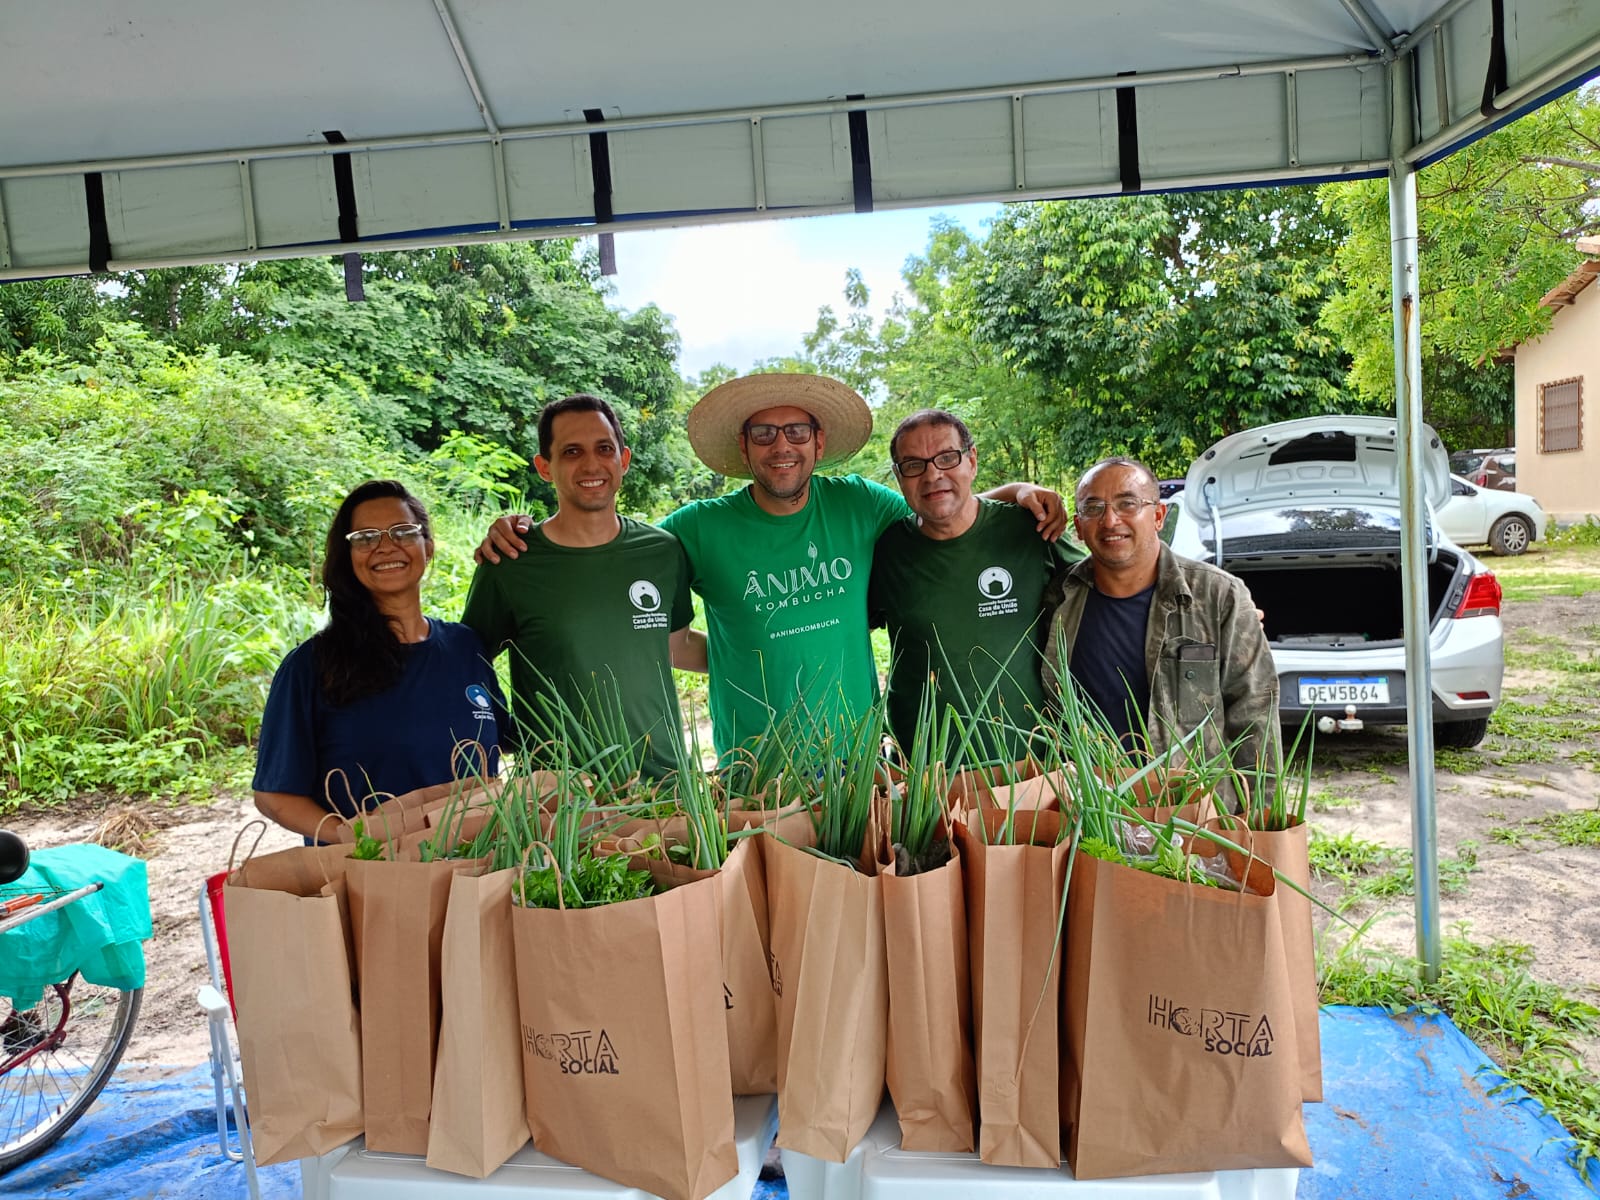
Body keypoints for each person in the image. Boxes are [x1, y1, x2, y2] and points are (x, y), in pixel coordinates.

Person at [479, 374, 1066, 759]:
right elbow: (613, 550)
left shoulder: (860, 504)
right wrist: (526, 533)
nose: (780, 446)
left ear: (818, 442)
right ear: (744, 447)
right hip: (754, 769)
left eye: (795, 432)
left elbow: (942, 507)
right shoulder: (697, 527)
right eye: (763, 433)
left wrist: (1018, 493)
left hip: (860, 762)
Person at [253, 480, 503, 840]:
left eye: (403, 532)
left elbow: (508, 739)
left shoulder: (465, 647)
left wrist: (520, 532)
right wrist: (357, 841)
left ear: (428, 546)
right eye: (365, 537)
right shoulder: (312, 667)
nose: (385, 546)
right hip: (369, 870)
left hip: (476, 865)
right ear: (348, 556)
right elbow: (275, 796)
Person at [462, 394, 693, 779]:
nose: (591, 464)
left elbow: (676, 646)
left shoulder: (662, 551)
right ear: (544, 467)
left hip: (666, 786)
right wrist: (506, 734)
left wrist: (770, 648)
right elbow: (466, 666)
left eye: (604, 449)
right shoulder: (511, 561)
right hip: (564, 800)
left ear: (623, 460)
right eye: (572, 452)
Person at [868, 409, 1085, 765]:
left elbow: (1101, 585)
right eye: (913, 465)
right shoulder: (885, 551)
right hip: (926, 768)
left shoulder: (1030, 529)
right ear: (898, 476)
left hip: (1032, 760)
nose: (932, 475)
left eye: (947, 458)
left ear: (971, 460)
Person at [1041, 457, 1278, 778]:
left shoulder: (1219, 596)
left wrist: (1258, 807)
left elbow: (1255, 713)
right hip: (1088, 798)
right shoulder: (1059, 599)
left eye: (1128, 504)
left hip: (1189, 799)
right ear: (1079, 527)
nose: (1110, 520)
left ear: (1158, 516)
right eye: (1093, 508)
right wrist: (1018, 490)